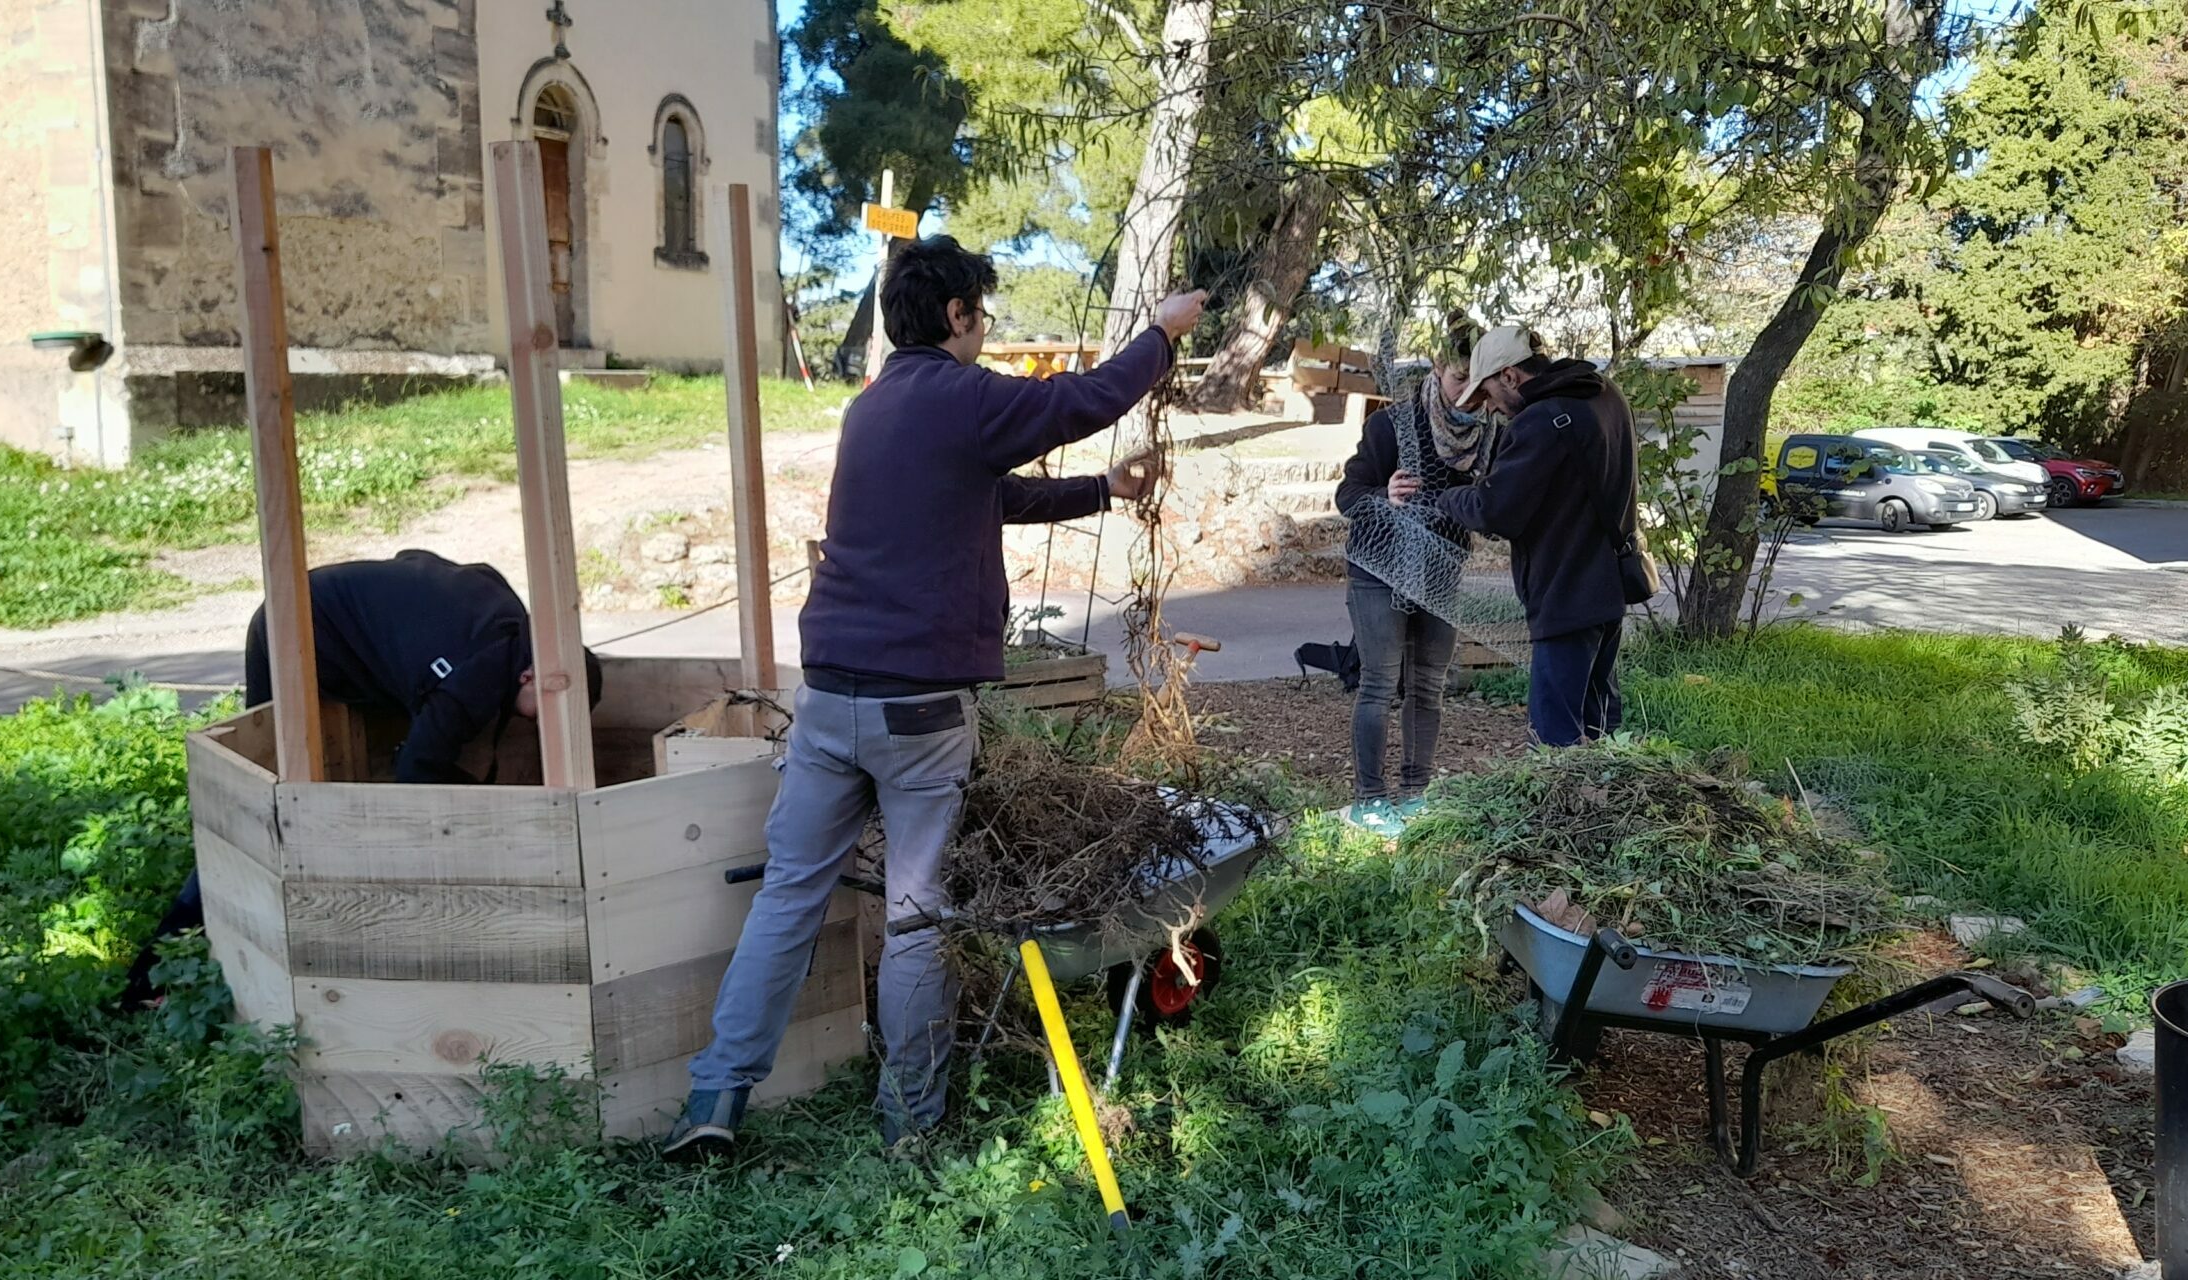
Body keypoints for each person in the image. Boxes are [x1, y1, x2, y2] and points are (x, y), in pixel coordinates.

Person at [662, 235, 1205, 1160]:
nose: (985, 333)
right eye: (981, 315)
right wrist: (1160, 336)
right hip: (919, 714)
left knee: (790, 894)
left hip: (828, 699)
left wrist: (1100, 492)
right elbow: (1081, 400)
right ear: (955, 316)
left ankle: (714, 1095)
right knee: (918, 912)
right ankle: (909, 1121)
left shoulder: (869, 412)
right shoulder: (963, 397)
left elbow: (978, 496)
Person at [118, 549, 601, 1006]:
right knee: (263, 804)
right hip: (297, 629)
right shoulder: (473, 675)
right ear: (530, 676)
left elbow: (421, 561)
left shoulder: (513, 625)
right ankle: (156, 970)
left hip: (328, 606)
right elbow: (416, 779)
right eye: (550, 713)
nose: (545, 728)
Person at [1407, 325, 1641, 746]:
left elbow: (1495, 513)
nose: (1493, 410)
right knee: (1603, 730)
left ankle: (1565, 813)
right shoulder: (1607, 395)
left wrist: (1443, 496)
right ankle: (1609, 807)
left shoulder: (1540, 421)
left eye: (1490, 395)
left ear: (1511, 377)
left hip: (1564, 595)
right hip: (1610, 589)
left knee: (1553, 742)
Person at [1332, 324, 1490, 831]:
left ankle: (1416, 794)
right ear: (1436, 369)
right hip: (1380, 571)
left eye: (1479, 383)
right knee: (1379, 684)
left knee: (1428, 686)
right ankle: (1369, 799)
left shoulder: (1490, 436)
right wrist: (1384, 495)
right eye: (1459, 379)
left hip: (1441, 572)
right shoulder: (1390, 426)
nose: (1469, 394)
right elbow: (1347, 496)